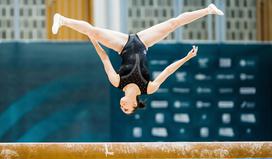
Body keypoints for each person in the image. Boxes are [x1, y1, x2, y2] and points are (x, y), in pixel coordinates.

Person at [52, 4, 223, 114]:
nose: (122, 106)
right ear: (134, 105)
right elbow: (168, 71)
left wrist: (93, 38)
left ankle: (63, 20)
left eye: (121, 108)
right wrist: (186, 58)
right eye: (126, 108)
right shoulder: (148, 88)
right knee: (173, 23)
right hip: (143, 42)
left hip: (123, 45)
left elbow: (104, 58)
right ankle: (208, 10)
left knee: (94, 31)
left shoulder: (117, 82)